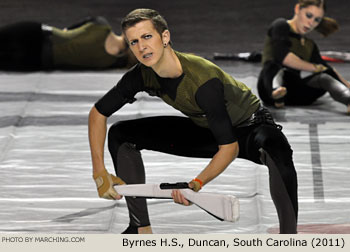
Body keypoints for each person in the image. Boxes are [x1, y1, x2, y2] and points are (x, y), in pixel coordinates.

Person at [88, 8, 298, 234]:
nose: (141, 47)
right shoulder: (140, 75)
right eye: (134, 42)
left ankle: (288, 239)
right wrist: (99, 171)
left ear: (165, 37)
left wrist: (194, 185)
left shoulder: (202, 80)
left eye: (147, 37)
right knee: (121, 135)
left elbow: (229, 148)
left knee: (278, 150)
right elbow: (98, 113)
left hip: (250, 129)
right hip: (207, 128)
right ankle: (140, 229)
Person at [257, 0, 350, 112]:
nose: (311, 23)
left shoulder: (309, 44)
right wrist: (315, 68)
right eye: (309, 16)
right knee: (273, 65)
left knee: (324, 77)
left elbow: (326, 69)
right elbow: (284, 58)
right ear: (298, 9)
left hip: (295, 93)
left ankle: (348, 99)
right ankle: (277, 93)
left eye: (317, 20)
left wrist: (347, 85)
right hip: (268, 87)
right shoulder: (280, 26)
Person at [0, 16, 137, 71]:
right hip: (38, 61)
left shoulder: (100, 24)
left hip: (38, 36)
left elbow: (66, 30)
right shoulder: (110, 62)